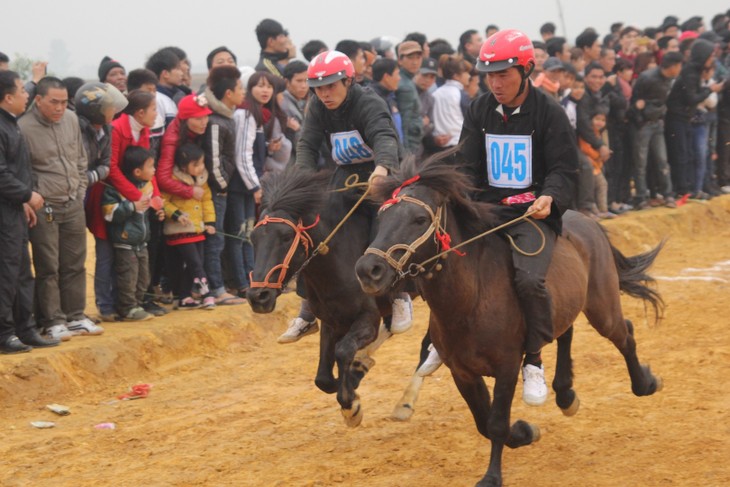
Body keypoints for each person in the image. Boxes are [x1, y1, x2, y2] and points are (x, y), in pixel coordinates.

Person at [456, 29, 578, 406]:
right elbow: (465, 165)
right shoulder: (478, 110)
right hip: (487, 211)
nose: (495, 83)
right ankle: (438, 343)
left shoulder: (550, 113)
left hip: (532, 215)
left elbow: (564, 170)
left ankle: (535, 359)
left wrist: (549, 197)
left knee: (527, 280)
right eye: (489, 75)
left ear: (526, 70)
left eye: (503, 74)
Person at [280, 50, 413, 343]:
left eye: (331, 85)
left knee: (384, 229)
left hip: (384, 173)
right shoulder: (316, 106)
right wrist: (301, 180)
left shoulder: (368, 102)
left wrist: (381, 169)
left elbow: (384, 138)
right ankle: (307, 309)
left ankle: (399, 295)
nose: (324, 93)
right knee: (314, 229)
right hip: (344, 175)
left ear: (348, 81)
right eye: (318, 87)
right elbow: (307, 146)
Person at [19, 77, 103, 340]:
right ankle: (52, 320)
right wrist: (35, 196)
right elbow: (23, 171)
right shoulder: (23, 127)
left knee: (75, 262)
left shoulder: (71, 120)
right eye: (53, 102)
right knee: (48, 265)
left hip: (73, 202)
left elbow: (80, 158)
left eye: (64, 102)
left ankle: (76, 315)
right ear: (38, 100)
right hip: (46, 207)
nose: (59, 107)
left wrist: (79, 193)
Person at [0, 70, 60, 353]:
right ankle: (4, 334)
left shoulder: (11, 125)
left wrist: (23, 202)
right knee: (6, 273)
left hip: (15, 210)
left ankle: (25, 329)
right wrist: (27, 194)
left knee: (23, 271)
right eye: (22, 90)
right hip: (4, 214)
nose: (26, 95)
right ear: (8, 97)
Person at [76, 82, 128, 322]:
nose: (113, 111)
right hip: (75, 194)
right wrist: (89, 176)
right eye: (108, 106)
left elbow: (106, 165)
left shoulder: (106, 130)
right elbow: (78, 168)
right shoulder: (77, 129)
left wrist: (90, 176)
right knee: (74, 255)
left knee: (97, 250)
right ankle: (75, 311)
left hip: (92, 191)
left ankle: (104, 306)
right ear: (95, 110)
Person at [201, 65, 246, 305]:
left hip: (222, 188)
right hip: (217, 190)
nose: (243, 93)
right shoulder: (216, 121)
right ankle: (217, 289)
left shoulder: (226, 116)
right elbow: (214, 159)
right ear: (228, 93)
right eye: (240, 88)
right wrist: (221, 185)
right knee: (216, 238)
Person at [102, 146, 162, 321]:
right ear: (137, 171)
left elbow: (147, 210)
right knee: (128, 276)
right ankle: (127, 307)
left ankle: (137, 302)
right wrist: (131, 206)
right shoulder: (116, 190)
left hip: (142, 242)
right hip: (125, 242)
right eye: (150, 167)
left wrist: (157, 212)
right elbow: (108, 213)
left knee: (143, 277)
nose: (154, 170)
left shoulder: (147, 187)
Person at [666, 40, 724, 196]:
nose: (713, 59)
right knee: (681, 154)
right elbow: (691, 98)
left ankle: (689, 188)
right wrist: (710, 89)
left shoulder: (696, 71)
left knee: (689, 155)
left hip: (686, 118)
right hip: (677, 118)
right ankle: (681, 189)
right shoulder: (690, 73)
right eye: (710, 56)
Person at [162, 143, 216, 310]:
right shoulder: (173, 179)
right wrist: (176, 215)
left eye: (202, 163)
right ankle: (206, 294)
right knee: (195, 263)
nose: (201, 168)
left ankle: (184, 297)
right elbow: (163, 201)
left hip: (197, 229)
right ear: (184, 166)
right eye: (196, 164)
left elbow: (207, 200)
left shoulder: (202, 179)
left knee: (193, 263)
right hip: (180, 230)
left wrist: (209, 222)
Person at [578, 107, 614, 219]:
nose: (600, 122)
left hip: (596, 165)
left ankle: (602, 210)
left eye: (603, 120)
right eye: (597, 119)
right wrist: (598, 155)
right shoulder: (587, 134)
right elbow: (585, 149)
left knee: (601, 185)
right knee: (593, 187)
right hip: (590, 165)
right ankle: (595, 210)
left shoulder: (599, 133)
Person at [432, 54, 471, 149]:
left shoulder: (435, 93)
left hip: (439, 145)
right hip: (459, 143)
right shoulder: (461, 94)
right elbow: (470, 119)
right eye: (466, 72)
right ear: (456, 76)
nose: (469, 76)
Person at [396, 41, 424, 155]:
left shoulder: (408, 81)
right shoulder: (405, 86)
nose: (415, 62)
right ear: (400, 60)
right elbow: (404, 121)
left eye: (418, 57)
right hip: (410, 146)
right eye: (410, 58)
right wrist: (406, 153)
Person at [280, 61, 309, 165]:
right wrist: (298, 129)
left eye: (306, 81)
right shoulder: (286, 106)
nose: (304, 86)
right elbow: (300, 146)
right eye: (299, 81)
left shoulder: (298, 102)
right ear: (287, 82)